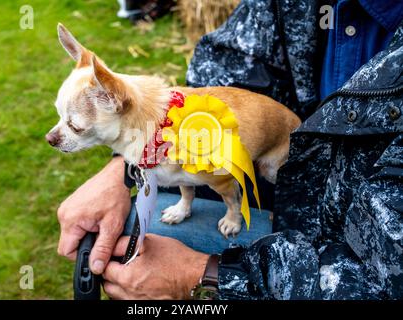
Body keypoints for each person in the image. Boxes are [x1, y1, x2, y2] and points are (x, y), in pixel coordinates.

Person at [57, 0, 403, 299]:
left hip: (330, 245)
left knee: (137, 244)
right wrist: (124, 167)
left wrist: (199, 277)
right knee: (133, 229)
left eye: (74, 126)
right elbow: (226, 65)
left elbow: (382, 280)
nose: (58, 136)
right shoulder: (292, 5)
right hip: (279, 190)